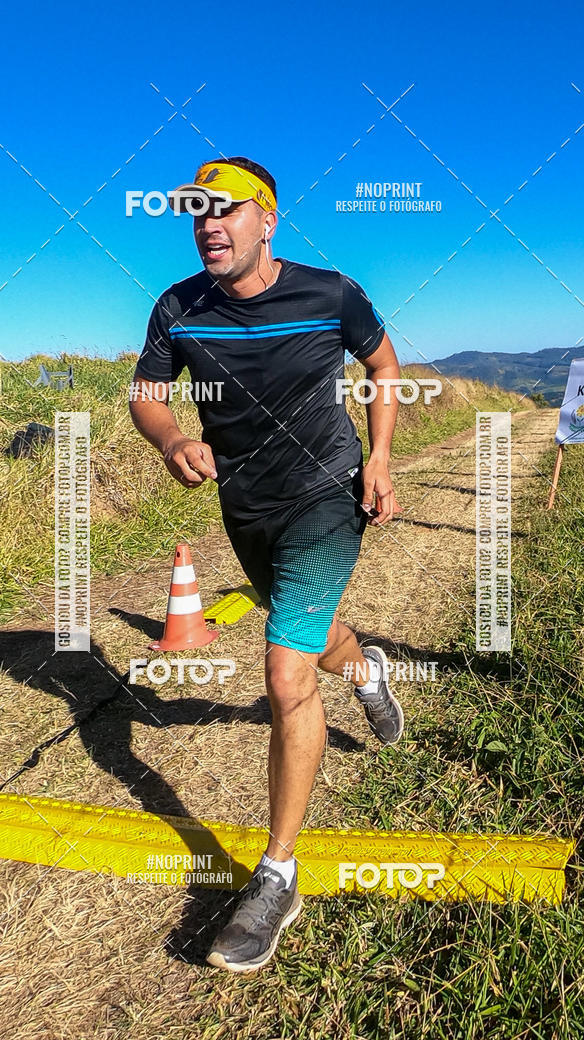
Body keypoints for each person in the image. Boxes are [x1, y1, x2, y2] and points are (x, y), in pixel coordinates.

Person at [129, 156, 404, 973]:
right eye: (197, 213)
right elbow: (146, 390)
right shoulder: (179, 306)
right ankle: (368, 669)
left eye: (227, 209)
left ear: (268, 220)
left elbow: (384, 366)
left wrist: (381, 456)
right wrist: (173, 436)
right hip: (245, 509)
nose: (208, 224)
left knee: (285, 669)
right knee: (312, 635)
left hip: (327, 493)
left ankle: (278, 873)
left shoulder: (331, 292)